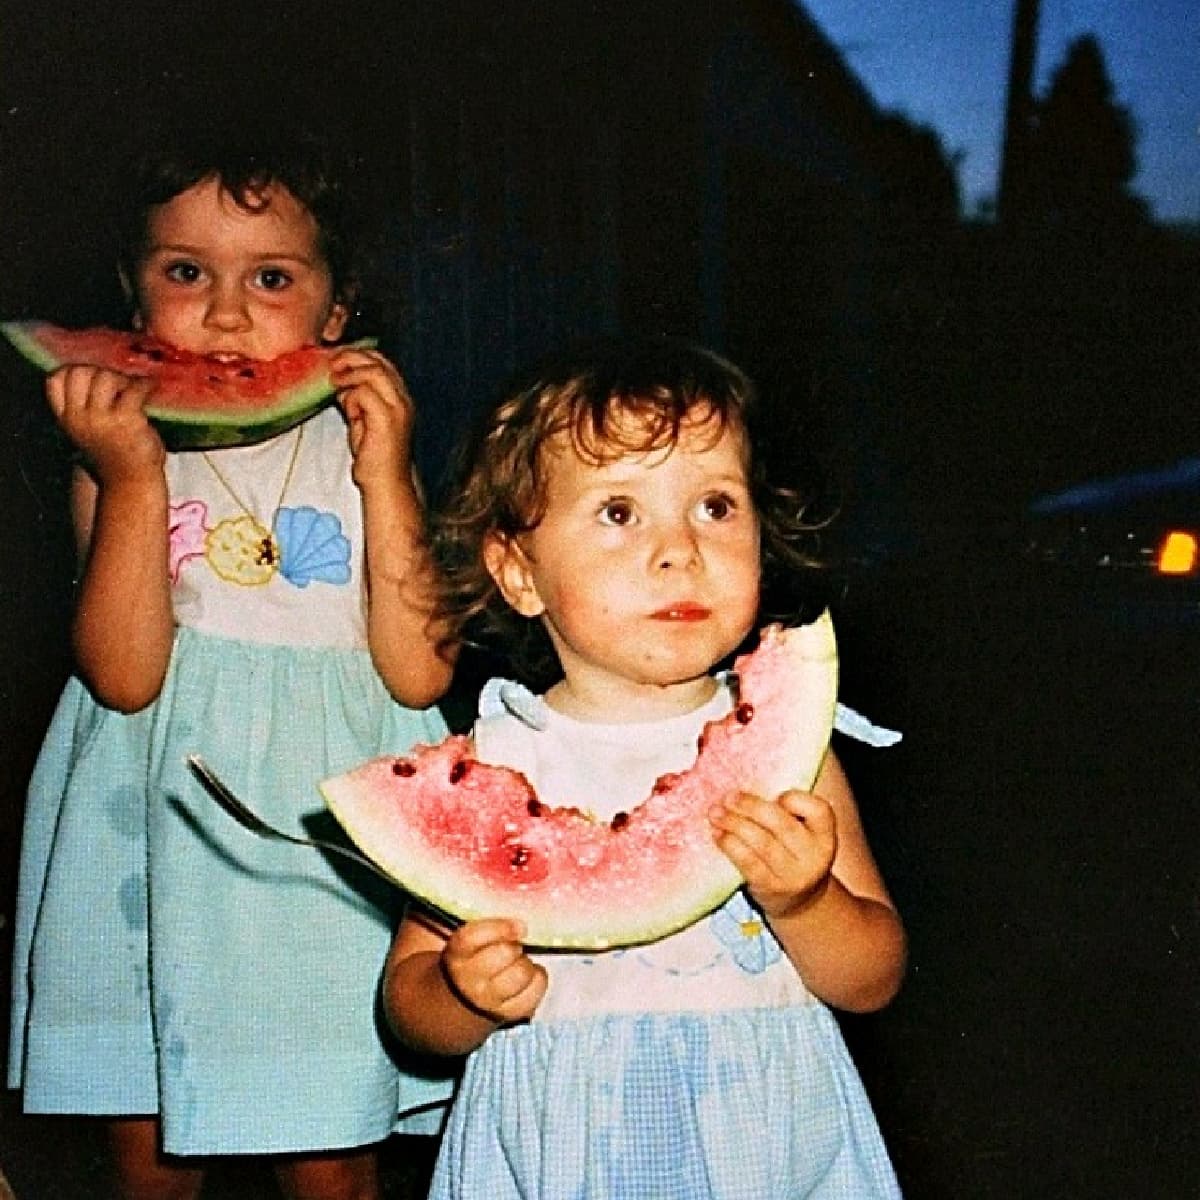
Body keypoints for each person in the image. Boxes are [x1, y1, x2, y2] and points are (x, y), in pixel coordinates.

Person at [7, 127, 456, 1200]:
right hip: (152, 831)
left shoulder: (364, 443)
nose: (221, 313)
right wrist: (129, 479)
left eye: (271, 277)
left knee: (332, 1158)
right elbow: (122, 677)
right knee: (149, 1146)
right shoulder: (118, 449)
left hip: (321, 836)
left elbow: (421, 673)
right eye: (183, 273)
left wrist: (388, 474)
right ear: (133, 299)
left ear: (338, 313)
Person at [383, 337, 907, 1198]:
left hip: (762, 1140)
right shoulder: (499, 763)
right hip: (560, 1148)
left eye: (714, 506)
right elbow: (408, 1003)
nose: (679, 550)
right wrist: (461, 992)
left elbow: (873, 976)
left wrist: (805, 902)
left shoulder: (789, 751)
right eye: (620, 513)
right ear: (518, 571)